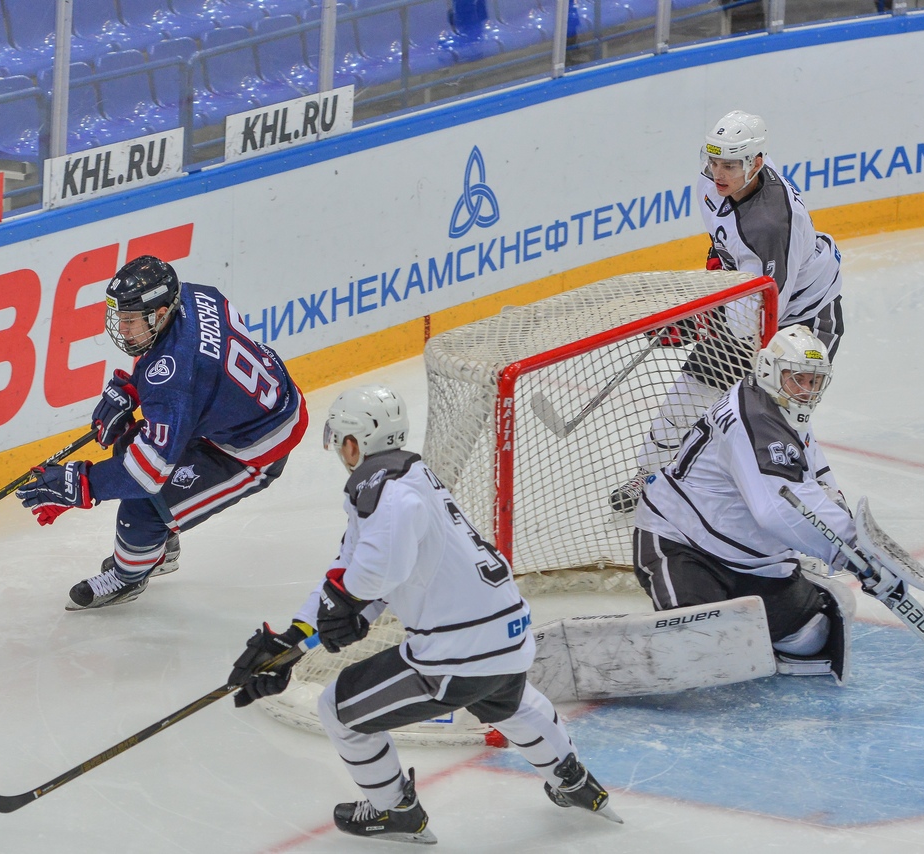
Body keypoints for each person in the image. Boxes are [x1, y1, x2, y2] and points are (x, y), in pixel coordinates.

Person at [229, 385, 620, 844]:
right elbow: (360, 570)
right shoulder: (412, 476)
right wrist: (293, 639)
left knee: (339, 709)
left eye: (339, 442)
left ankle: (394, 809)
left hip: (456, 654)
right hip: (509, 636)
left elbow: (375, 571)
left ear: (352, 443)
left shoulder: (385, 491)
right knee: (506, 700)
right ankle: (572, 779)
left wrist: (346, 602)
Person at [15, 255, 309, 610]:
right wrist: (136, 388)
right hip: (241, 406)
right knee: (129, 441)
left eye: (130, 320)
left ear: (160, 313)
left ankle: (127, 578)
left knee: (144, 508)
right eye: (120, 318)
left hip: (255, 447)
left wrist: (83, 484)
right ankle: (160, 547)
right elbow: (185, 359)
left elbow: (148, 474)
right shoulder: (197, 296)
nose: (122, 329)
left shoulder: (174, 383)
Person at [611, 109, 845, 512]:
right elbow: (727, 240)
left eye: (730, 166)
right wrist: (720, 268)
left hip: (803, 314)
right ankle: (648, 474)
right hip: (748, 304)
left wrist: (695, 321)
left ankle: (827, 500)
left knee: (783, 415)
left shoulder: (772, 224)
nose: (718, 173)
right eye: (714, 161)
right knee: (689, 393)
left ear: (756, 163)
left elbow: (764, 313)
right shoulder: (715, 180)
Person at [632, 326, 868, 680]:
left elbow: (816, 480)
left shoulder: (785, 410)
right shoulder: (755, 417)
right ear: (770, 370)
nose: (807, 390)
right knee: (697, 641)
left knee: (811, 637)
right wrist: (848, 552)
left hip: (754, 561)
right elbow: (776, 508)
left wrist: (858, 546)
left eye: (814, 381)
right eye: (798, 379)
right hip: (685, 544)